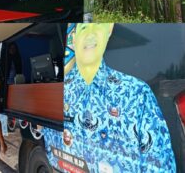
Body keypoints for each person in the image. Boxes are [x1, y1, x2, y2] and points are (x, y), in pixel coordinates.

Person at [44, 23, 176, 173]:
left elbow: (161, 164)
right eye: (84, 28)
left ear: (109, 30)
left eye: (98, 26)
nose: (90, 34)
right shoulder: (59, 91)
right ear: (73, 39)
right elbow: (50, 145)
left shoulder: (136, 93)